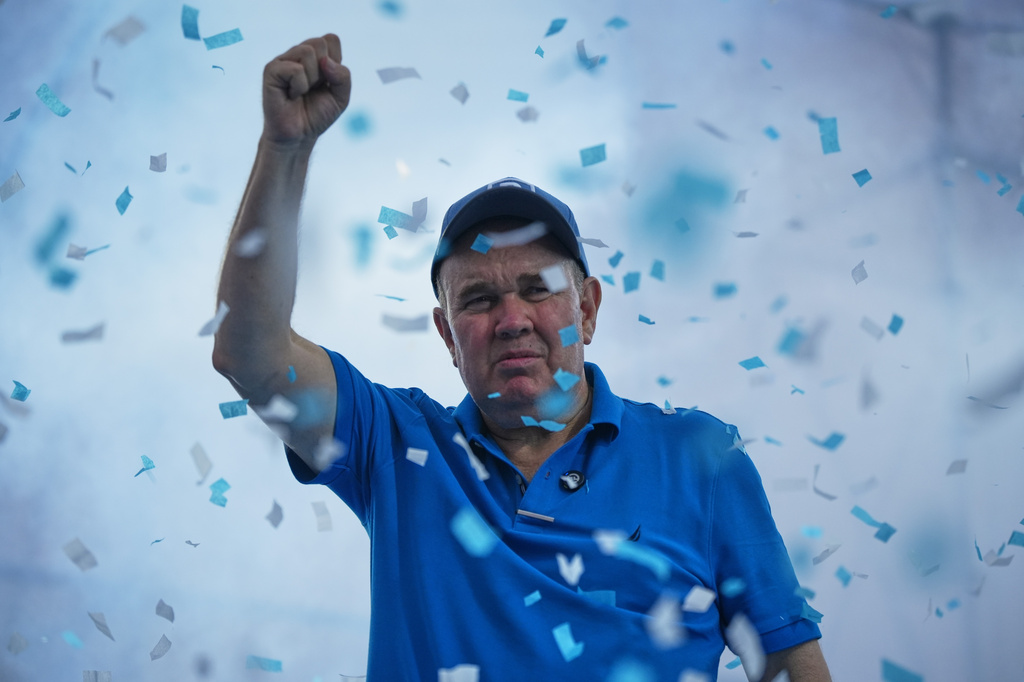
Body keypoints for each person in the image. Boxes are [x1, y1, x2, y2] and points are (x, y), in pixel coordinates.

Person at [213, 34, 832, 681]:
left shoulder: (700, 457)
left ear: (588, 308)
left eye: (537, 290)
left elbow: (789, 663)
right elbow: (248, 354)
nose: (512, 321)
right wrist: (285, 149)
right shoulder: (394, 448)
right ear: (448, 337)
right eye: (478, 300)